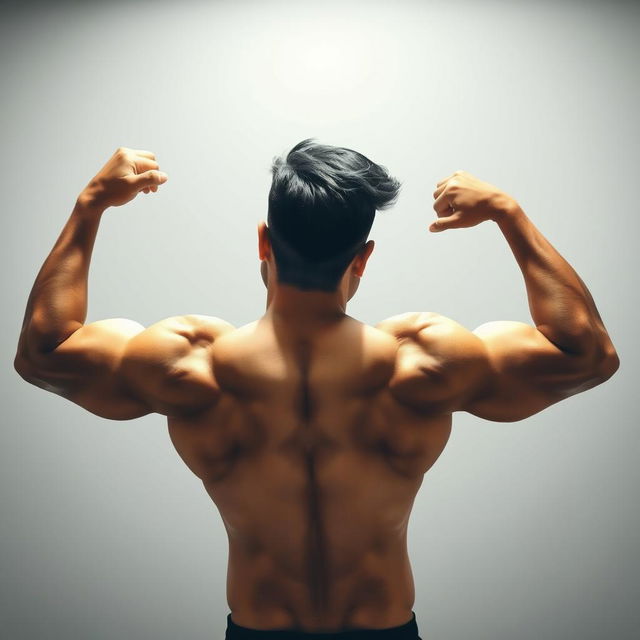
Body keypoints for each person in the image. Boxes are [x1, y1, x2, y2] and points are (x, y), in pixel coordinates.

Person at [14, 140, 619, 640]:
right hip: (384, 628)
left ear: (263, 242)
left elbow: (43, 354)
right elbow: (588, 355)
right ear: (364, 258)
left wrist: (91, 203)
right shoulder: (424, 363)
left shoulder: (190, 366)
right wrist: (508, 213)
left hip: (257, 630)